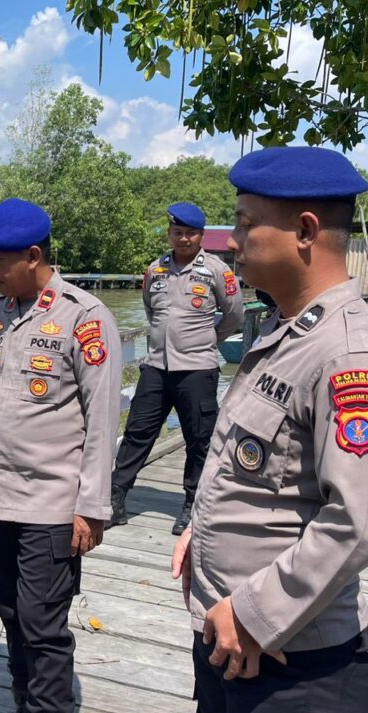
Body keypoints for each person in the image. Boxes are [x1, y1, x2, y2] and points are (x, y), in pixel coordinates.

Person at [171, 146, 368, 713]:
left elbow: (361, 523)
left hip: (294, 666)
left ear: (305, 231)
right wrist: (201, 533)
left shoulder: (352, 355)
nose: (230, 241)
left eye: (248, 224)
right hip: (233, 638)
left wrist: (254, 614)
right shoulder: (285, 332)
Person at [0, 198, 121, 713]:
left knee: (43, 623)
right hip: (0, 501)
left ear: (34, 255)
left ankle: (49, 712)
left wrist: (92, 506)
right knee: (9, 609)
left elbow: (102, 419)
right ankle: (26, 701)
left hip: (52, 504)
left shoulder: (84, 318)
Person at [109, 202, 244, 533]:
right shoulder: (155, 270)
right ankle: (115, 498)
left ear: (201, 236)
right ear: (169, 233)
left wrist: (206, 340)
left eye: (190, 233)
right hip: (156, 366)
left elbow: (235, 315)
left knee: (198, 438)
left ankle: (191, 503)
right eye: (178, 232)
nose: (183, 239)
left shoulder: (216, 271)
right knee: (138, 433)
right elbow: (150, 310)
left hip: (197, 368)